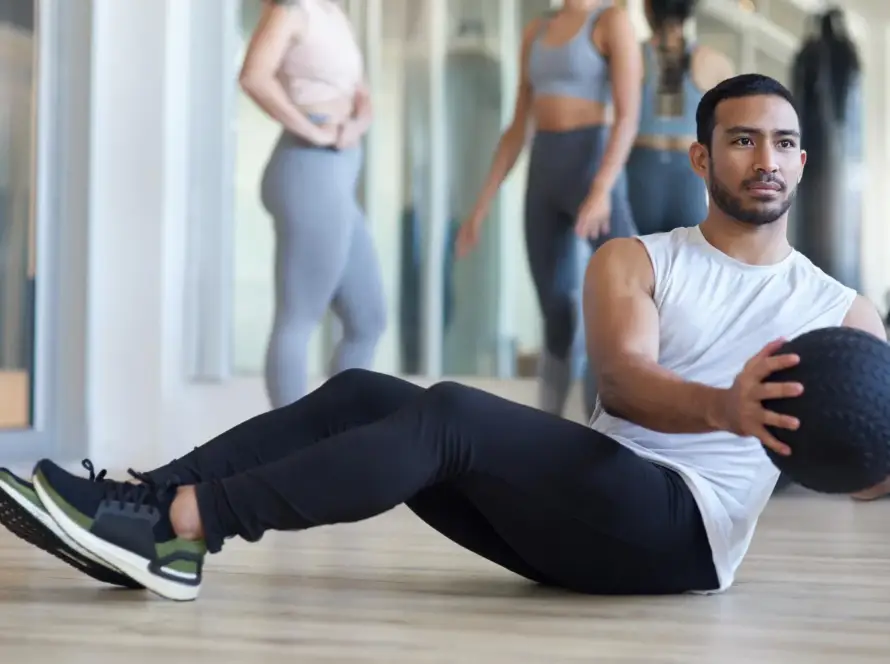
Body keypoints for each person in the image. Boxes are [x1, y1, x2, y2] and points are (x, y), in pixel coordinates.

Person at [1, 74, 887, 603]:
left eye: (783, 144)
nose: (765, 160)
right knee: (363, 393)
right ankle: (145, 502)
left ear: (803, 161)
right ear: (701, 158)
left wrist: (859, 462)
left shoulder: (841, 313)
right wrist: (727, 407)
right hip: (593, 507)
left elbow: (875, 474)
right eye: (742, 141)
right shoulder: (637, 259)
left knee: (455, 413)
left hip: (682, 536)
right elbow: (623, 381)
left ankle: (182, 529)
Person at [456, 0, 642, 419]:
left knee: (615, 306)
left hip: (593, 170)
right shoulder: (536, 31)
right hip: (544, 175)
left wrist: (601, 189)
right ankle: (550, 425)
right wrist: (481, 205)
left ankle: (604, 425)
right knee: (556, 312)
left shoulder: (611, 21)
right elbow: (517, 126)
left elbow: (628, 117)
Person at [240, 0, 386, 409]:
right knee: (299, 315)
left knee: (368, 318)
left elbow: (361, 94)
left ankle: (334, 429)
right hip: (308, 169)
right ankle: (289, 438)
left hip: (340, 166)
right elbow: (253, 76)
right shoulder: (290, 10)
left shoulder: (333, 14)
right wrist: (311, 130)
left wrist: (356, 124)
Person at [626, 0, 734, 235]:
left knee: (640, 257)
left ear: (647, 8)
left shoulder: (630, 57)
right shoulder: (715, 63)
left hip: (640, 176)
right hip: (688, 179)